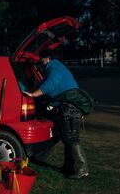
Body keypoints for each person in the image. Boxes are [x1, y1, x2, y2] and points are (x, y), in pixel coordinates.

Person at [23, 50, 92, 179]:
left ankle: (82, 170)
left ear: (47, 58)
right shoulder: (53, 67)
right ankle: (69, 168)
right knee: (67, 138)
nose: (39, 61)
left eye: (41, 58)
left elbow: (51, 84)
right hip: (67, 108)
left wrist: (33, 94)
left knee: (71, 138)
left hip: (70, 109)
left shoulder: (54, 67)